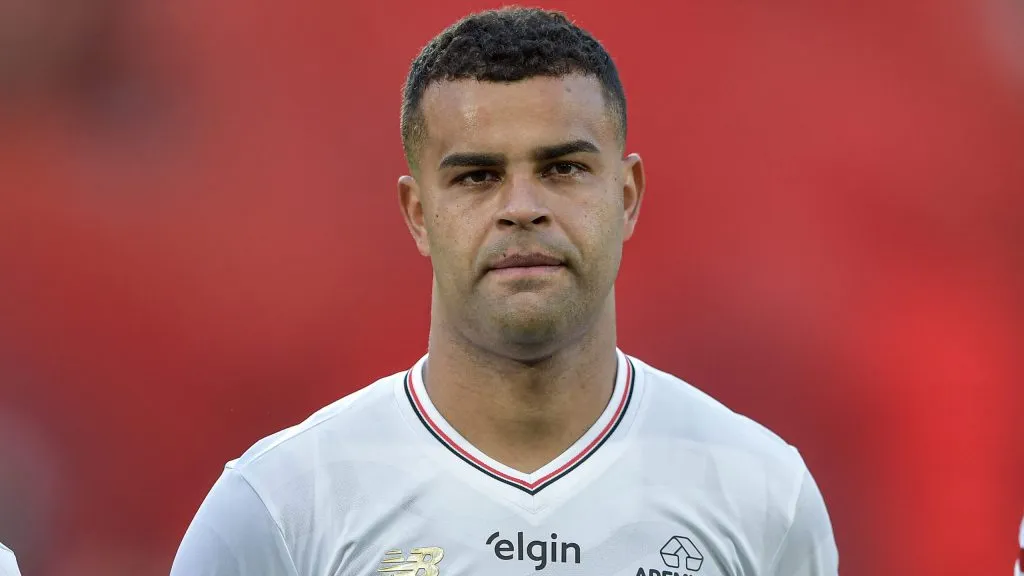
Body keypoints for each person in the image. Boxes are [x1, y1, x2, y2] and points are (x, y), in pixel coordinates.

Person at [171, 7, 838, 575]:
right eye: (477, 177)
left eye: (563, 168)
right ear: (418, 214)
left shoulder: (762, 497)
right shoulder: (281, 507)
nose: (523, 207)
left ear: (627, 197)